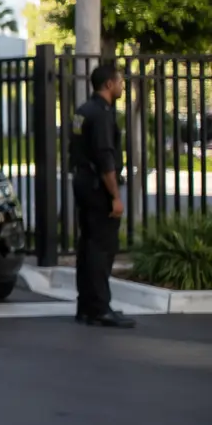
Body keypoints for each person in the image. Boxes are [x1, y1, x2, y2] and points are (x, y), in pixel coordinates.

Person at [71, 62, 134, 328]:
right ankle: (100, 308)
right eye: (120, 82)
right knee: (101, 248)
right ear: (109, 84)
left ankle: (86, 305)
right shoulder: (102, 115)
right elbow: (105, 158)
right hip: (98, 188)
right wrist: (115, 196)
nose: (122, 86)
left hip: (83, 184)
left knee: (87, 246)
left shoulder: (82, 111)